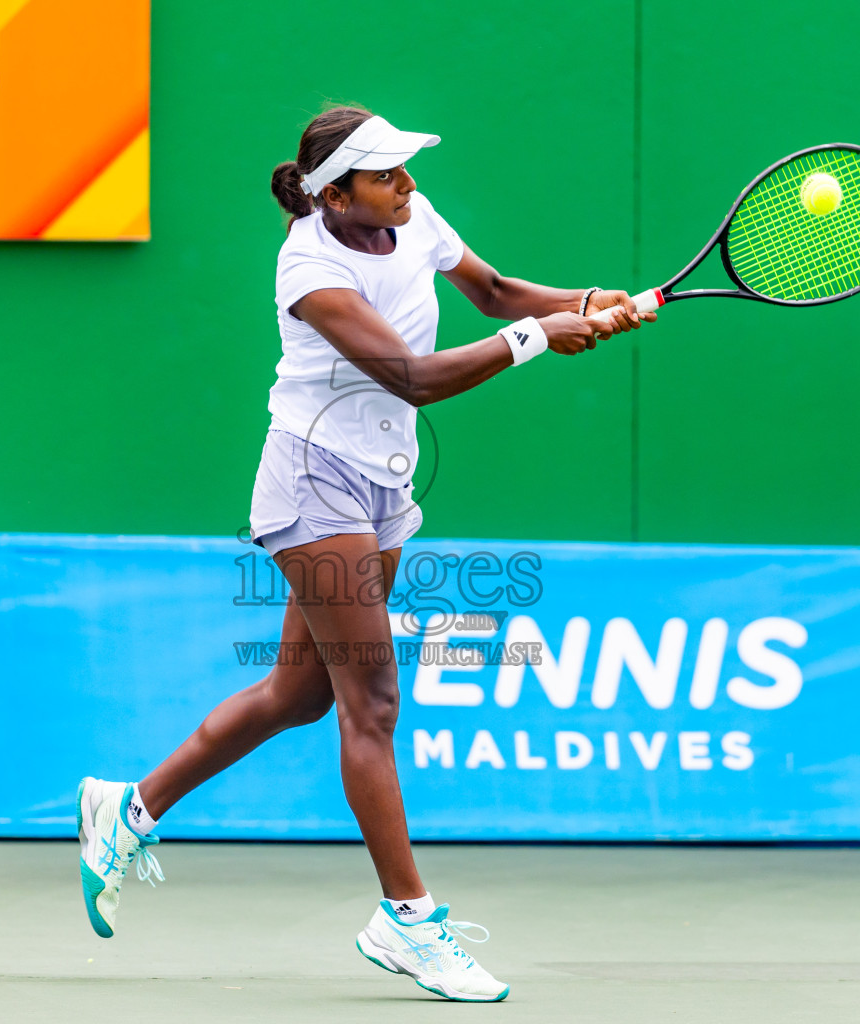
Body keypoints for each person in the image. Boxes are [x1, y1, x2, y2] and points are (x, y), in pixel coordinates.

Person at [76, 106, 652, 1002]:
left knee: (299, 694)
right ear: (334, 191)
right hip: (315, 482)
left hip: (384, 482)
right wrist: (540, 340)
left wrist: (583, 302)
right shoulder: (309, 263)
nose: (409, 187)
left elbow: (495, 292)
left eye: (406, 172)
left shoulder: (408, 219)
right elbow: (412, 375)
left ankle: (129, 807)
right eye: (388, 176)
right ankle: (408, 921)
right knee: (372, 701)